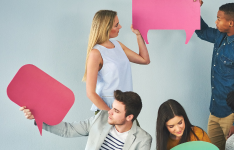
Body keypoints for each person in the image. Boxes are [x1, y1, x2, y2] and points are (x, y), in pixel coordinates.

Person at [194, 1, 234, 149]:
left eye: (218, 18)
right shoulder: (220, 36)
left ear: (230, 22)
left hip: (231, 116)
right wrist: (194, 9)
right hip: (215, 110)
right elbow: (202, 32)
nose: (215, 22)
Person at [20, 90, 152, 150]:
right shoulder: (101, 118)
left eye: (116, 111)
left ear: (129, 117)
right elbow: (68, 130)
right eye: (112, 107)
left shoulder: (143, 139)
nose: (109, 112)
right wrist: (39, 117)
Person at [82, 10, 150, 114]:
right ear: (106, 28)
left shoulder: (118, 45)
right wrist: (111, 114)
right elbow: (90, 93)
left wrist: (138, 35)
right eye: (116, 25)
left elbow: (145, 60)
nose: (120, 27)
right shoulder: (96, 53)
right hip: (107, 109)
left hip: (125, 108)